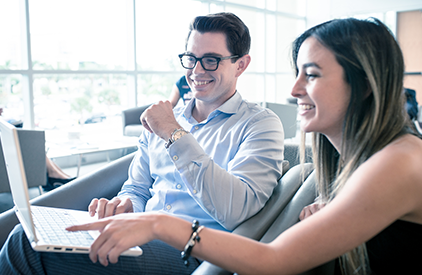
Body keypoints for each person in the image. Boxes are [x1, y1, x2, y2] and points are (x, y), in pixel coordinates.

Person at [61, 18, 422, 274]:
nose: (294, 90)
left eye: (310, 75)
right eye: (297, 74)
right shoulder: (355, 166)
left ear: (366, 84)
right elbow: (137, 186)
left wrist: (157, 223)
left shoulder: (400, 160)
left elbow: (274, 261)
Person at [0, 12, 284, 274]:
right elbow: (138, 186)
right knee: (31, 234)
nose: (196, 71)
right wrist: (125, 204)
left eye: (211, 60)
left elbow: (237, 211)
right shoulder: (165, 118)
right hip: (138, 234)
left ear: (241, 64)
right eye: (191, 59)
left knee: (24, 246)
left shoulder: (260, 124)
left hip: (196, 252)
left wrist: (174, 134)